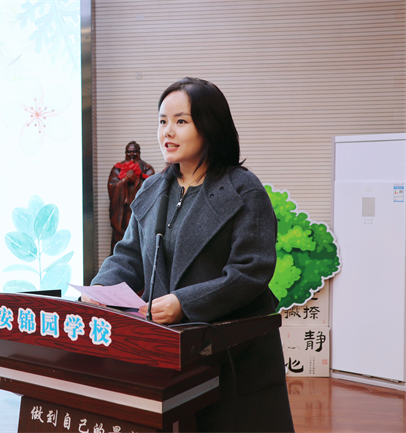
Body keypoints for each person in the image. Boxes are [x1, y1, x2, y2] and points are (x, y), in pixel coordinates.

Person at [85, 77, 295, 432]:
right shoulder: (152, 188)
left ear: (210, 126)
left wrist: (184, 302)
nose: (167, 131)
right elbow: (129, 257)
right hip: (167, 351)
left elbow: (251, 271)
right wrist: (100, 290)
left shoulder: (244, 190)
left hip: (233, 354)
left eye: (180, 121)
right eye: (162, 121)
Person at [108, 141, 155, 252]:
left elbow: (152, 188)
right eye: (129, 152)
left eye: (134, 152)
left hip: (139, 210)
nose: (132, 154)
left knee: (139, 236)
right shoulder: (117, 168)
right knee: (119, 237)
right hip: (122, 212)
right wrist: (124, 180)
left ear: (139, 152)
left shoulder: (147, 168)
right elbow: (111, 186)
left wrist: (136, 180)